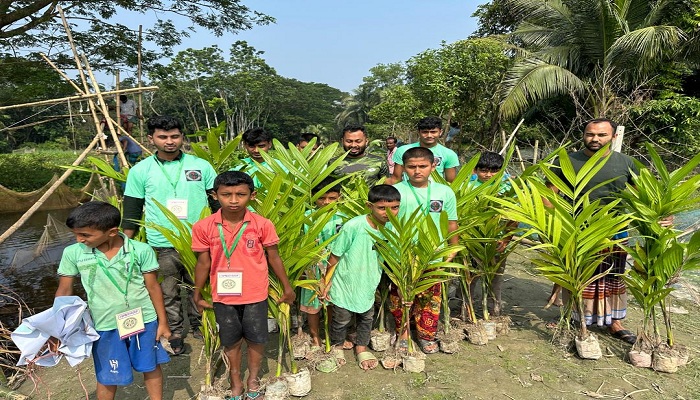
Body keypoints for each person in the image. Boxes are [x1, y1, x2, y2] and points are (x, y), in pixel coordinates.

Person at [191, 171, 295, 399]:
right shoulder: (204, 227)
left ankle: (253, 378)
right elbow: (203, 262)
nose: (234, 200)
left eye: (241, 194)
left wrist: (287, 287)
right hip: (223, 296)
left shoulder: (261, 224)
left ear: (253, 195)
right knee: (230, 340)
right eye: (226, 194)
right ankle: (235, 380)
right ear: (214, 195)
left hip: (255, 292)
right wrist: (197, 292)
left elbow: (274, 257)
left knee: (257, 338)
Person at [55, 201, 171, 400]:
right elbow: (64, 290)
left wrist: (163, 322)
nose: (79, 239)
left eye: (85, 235)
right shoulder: (73, 253)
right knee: (107, 374)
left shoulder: (140, 250)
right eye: (76, 234)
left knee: (150, 365)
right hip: (103, 323)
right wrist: (57, 328)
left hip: (144, 319)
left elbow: (153, 287)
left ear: (111, 232)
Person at [122, 115, 218, 355]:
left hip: (200, 242)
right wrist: (126, 243)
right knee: (168, 291)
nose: (169, 141)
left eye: (174, 136)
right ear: (151, 138)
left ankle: (200, 326)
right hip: (162, 243)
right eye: (162, 137)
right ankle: (174, 331)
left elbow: (217, 202)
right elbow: (132, 208)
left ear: (182, 137)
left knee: (201, 285)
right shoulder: (140, 170)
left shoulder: (201, 166)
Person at [546, 118, 639, 343]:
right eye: (590, 134)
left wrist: (662, 217)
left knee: (613, 276)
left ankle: (615, 322)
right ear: (583, 135)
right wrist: (551, 226)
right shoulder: (566, 161)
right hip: (576, 229)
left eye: (601, 135)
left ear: (614, 136)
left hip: (614, 228)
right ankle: (574, 317)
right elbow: (549, 196)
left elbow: (643, 196)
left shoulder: (626, 163)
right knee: (579, 276)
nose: (594, 139)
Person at [321, 184, 401, 370]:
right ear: (369, 205)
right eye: (381, 208)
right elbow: (335, 255)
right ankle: (337, 345)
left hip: (369, 281)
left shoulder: (394, 229)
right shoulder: (354, 226)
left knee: (367, 317)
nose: (387, 213)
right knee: (341, 318)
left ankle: (361, 347)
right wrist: (326, 281)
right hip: (345, 281)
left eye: (394, 207)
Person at [390, 147, 458, 354]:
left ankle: (426, 335)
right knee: (400, 295)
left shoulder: (444, 191)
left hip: (432, 252)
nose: (417, 171)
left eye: (422, 166)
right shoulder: (396, 191)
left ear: (433, 166)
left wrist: (452, 248)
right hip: (401, 251)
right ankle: (403, 333)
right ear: (403, 167)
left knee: (430, 296)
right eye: (411, 167)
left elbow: (452, 223)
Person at [468, 151, 517, 316]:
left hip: (496, 241)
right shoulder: (467, 187)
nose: (488, 175)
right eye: (483, 170)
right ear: (475, 170)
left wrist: (506, 239)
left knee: (495, 277)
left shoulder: (508, 189)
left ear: (502, 171)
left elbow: (513, 217)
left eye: (494, 171)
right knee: (469, 276)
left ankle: (494, 310)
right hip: (472, 240)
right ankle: (465, 308)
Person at [300, 177, 344, 348]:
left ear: (339, 197)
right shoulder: (306, 218)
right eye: (322, 198)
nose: (326, 202)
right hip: (313, 268)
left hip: (336, 266)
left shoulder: (343, 218)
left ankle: (331, 334)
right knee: (313, 303)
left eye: (332, 198)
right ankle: (314, 336)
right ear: (314, 197)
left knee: (332, 301)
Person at [392, 116, 460, 183]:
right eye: (425, 132)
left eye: (433, 132)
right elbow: (396, 179)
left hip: (435, 193)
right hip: (408, 192)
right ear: (419, 132)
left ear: (440, 132)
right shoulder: (402, 151)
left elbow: (451, 182)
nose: (429, 135)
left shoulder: (449, 154)